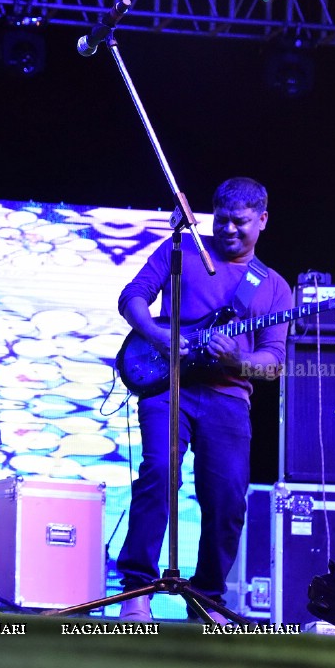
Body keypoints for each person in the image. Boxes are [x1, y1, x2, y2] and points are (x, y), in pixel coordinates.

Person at [115, 177, 291, 621]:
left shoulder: (271, 287)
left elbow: (272, 363)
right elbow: (132, 298)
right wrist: (160, 335)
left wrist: (239, 357)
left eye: (241, 222)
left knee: (229, 499)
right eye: (223, 219)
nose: (229, 229)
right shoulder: (183, 252)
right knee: (158, 474)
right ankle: (137, 589)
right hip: (168, 388)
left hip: (228, 399)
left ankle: (207, 596)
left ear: (263, 220)